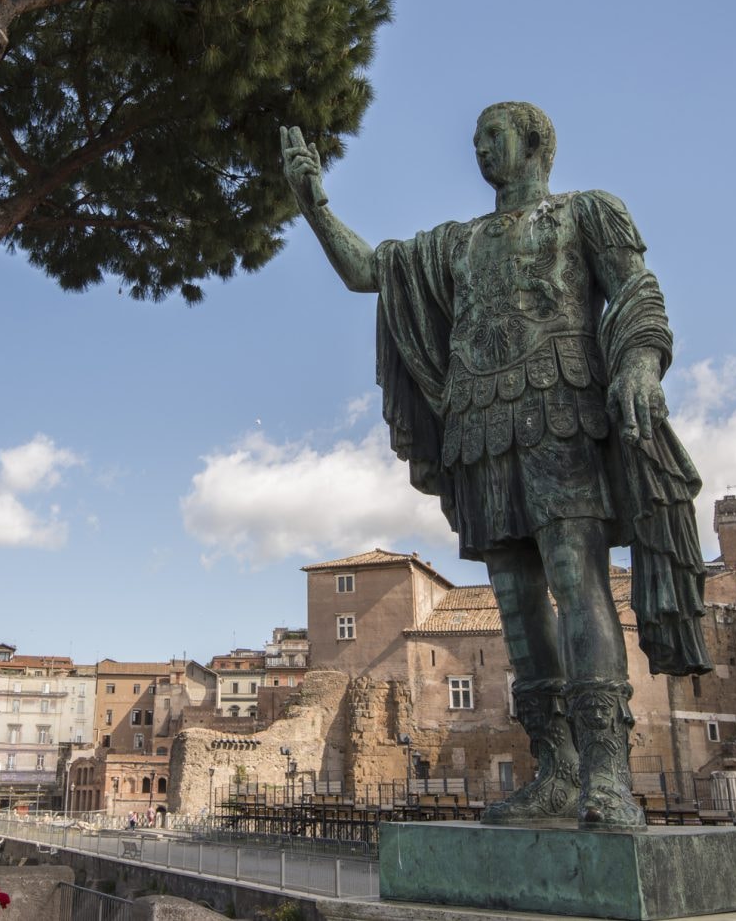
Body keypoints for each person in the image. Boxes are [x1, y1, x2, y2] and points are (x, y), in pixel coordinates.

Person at [280, 105, 709, 827]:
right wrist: (315, 203)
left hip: (562, 409)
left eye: (492, 136)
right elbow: (365, 271)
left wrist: (640, 364)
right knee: (513, 598)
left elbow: (637, 291)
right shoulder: (456, 243)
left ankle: (606, 770)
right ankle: (556, 770)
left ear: (536, 142)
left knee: (576, 578)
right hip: (481, 426)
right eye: (474, 140)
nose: (480, 150)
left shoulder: (586, 212)